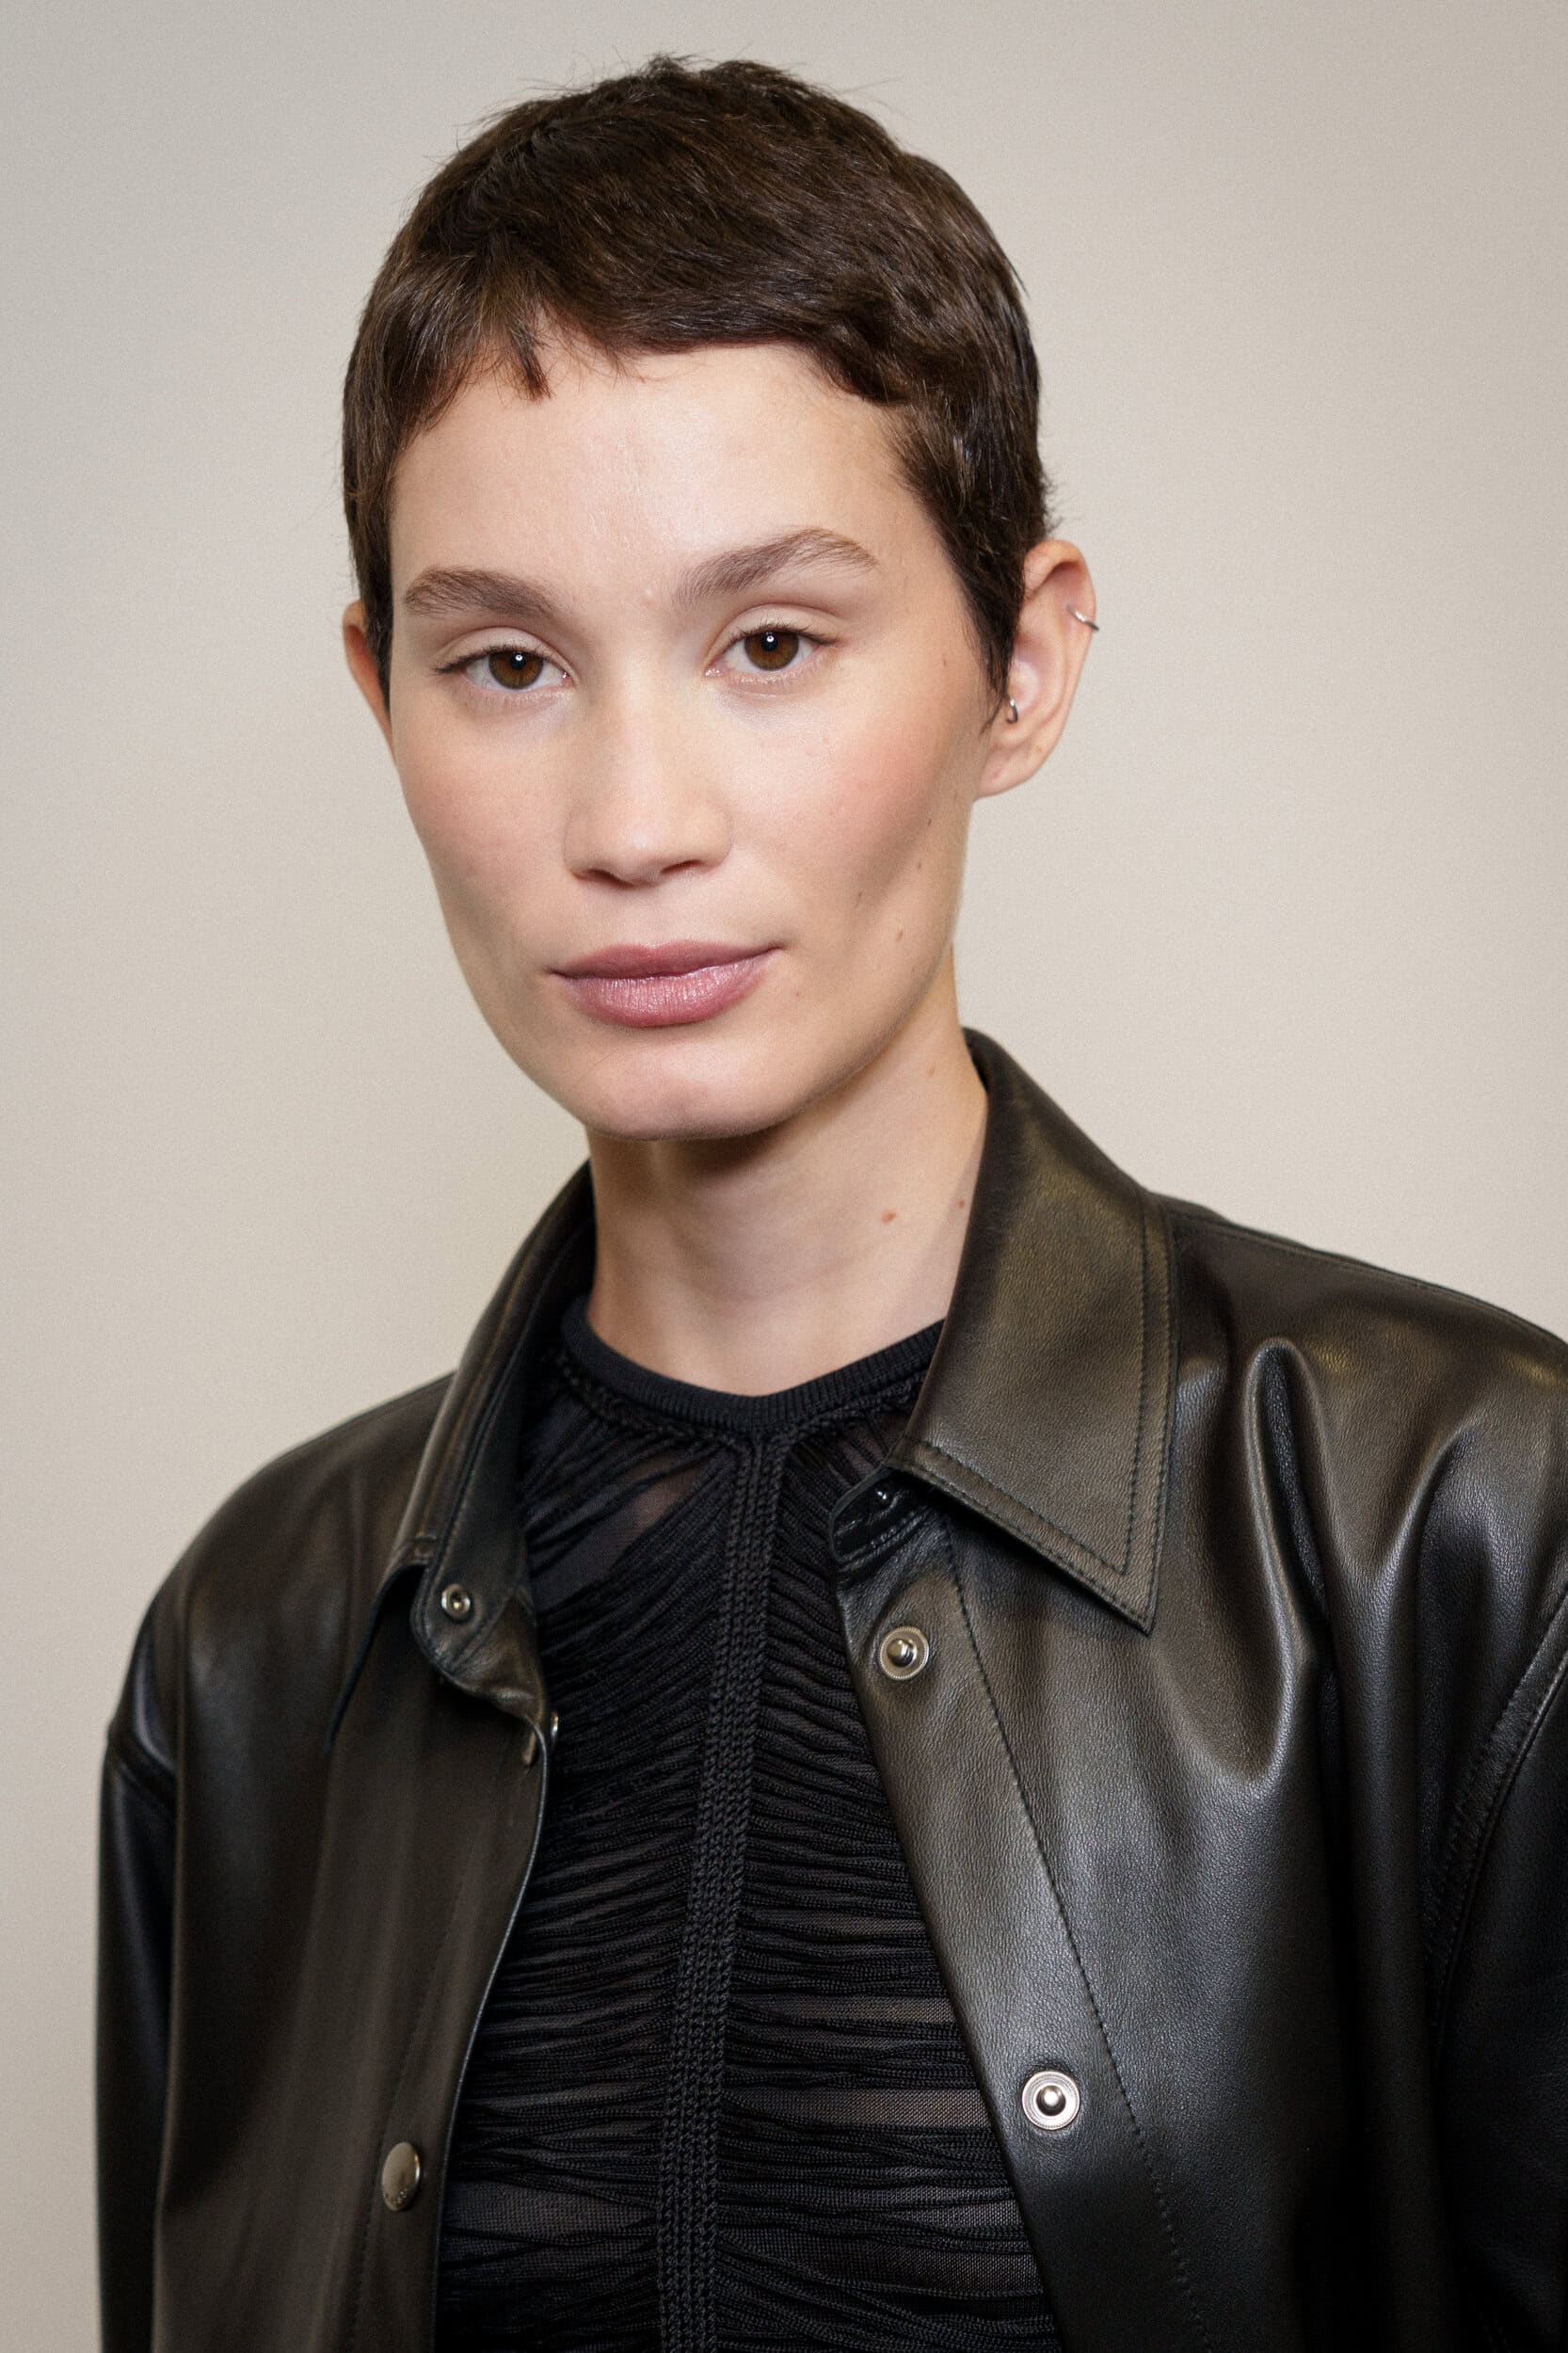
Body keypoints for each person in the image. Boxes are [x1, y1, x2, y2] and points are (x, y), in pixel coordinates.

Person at [95, 52, 1568, 2353]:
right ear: (382, 698)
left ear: (1022, 659)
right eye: (506, 663)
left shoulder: (1460, 1525)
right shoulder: (257, 1645)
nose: (633, 819)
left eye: (769, 641)